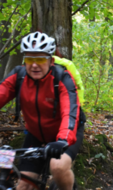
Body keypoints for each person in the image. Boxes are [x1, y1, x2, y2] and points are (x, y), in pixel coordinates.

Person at [0, 32, 85, 190]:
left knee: (58, 167)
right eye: (29, 59)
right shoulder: (19, 76)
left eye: (40, 59)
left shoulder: (62, 79)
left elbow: (70, 112)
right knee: (23, 184)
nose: (34, 65)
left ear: (51, 60)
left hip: (65, 134)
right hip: (36, 134)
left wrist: (62, 140)